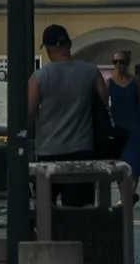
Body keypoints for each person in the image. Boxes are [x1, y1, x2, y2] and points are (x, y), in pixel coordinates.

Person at [28, 24, 108, 203]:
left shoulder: (39, 77)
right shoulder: (91, 72)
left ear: (48, 49)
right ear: (69, 45)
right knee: (79, 212)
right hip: (82, 151)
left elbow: (29, 112)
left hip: (48, 153)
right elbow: (104, 103)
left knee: (45, 211)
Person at [104, 49, 140, 178]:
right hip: (118, 125)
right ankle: (126, 196)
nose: (118, 65)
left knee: (134, 162)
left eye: (121, 62)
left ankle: (129, 194)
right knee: (121, 161)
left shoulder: (137, 81)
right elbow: (103, 103)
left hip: (135, 124)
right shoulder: (109, 83)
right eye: (115, 62)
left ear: (127, 63)